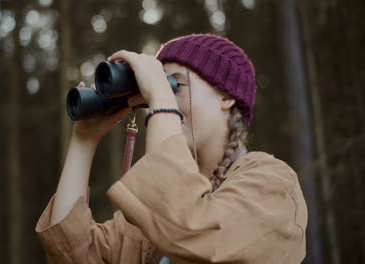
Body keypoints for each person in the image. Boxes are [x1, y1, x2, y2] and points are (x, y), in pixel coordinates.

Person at [35, 33, 307, 263]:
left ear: (226, 97)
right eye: (160, 89)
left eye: (175, 85)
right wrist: (85, 140)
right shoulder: (149, 222)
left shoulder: (273, 186)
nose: (159, 100)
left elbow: (193, 228)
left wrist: (160, 97)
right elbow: (73, 252)